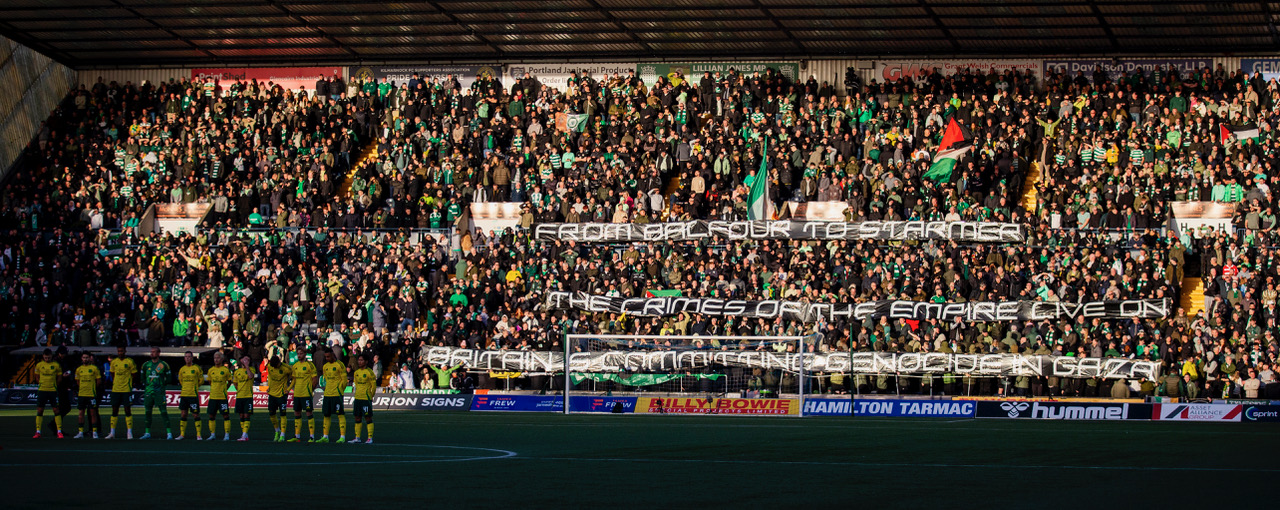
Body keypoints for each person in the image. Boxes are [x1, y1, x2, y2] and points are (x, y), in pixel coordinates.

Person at [139, 347, 173, 440]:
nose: (152, 353)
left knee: (163, 412)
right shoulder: (146, 365)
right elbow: (142, 378)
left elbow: (169, 378)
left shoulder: (163, 365)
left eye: (154, 352)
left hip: (159, 392)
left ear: (158, 353)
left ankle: (169, 433)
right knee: (148, 412)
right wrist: (148, 385)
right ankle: (147, 433)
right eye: (151, 352)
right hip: (148, 392)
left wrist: (160, 385)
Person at [105, 344, 137, 439]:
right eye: (119, 351)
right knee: (114, 410)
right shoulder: (114, 362)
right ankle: (112, 432)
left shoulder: (130, 361)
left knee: (127, 410)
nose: (120, 353)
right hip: (116, 390)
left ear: (125, 351)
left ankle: (129, 432)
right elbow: (112, 374)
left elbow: (134, 374)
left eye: (122, 351)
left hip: (126, 389)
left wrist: (128, 382)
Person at [318, 347, 348, 443]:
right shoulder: (325, 366)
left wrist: (340, 390)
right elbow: (326, 380)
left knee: (340, 414)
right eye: (325, 357)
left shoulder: (340, 365)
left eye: (328, 356)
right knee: (326, 415)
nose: (327, 358)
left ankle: (342, 437)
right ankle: (325, 437)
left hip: (337, 394)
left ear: (332, 355)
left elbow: (344, 380)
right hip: (327, 394)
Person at [287, 350, 319, 442]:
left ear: (305, 354)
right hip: (297, 393)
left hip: (306, 394)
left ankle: (312, 436)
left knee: (309, 413)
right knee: (297, 413)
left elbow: (315, 380)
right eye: (298, 354)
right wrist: (288, 389)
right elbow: (293, 380)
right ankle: (297, 436)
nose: (299, 355)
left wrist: (310, 391)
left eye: (301, 354)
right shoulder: (295, 366)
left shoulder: (310, 365)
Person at [33, 348, 64, 439]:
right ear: (43, 356)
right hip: (42, 390)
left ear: (51, 356)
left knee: (56, 410)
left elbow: (59, 377)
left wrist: (54, 385)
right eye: (45, 358)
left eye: (49, 358)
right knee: (40, 410)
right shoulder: (39, 365)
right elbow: (37, 377)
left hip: (52, 391)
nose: (47, 359)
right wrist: (42, 384)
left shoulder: (56, 365)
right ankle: (38, 432)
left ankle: (59, 431)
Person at [73, 351, 102, 439]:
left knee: (93, 413)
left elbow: (98, 381)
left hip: (91, 394)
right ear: (81, 358)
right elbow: (77, 381)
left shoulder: (94, 368)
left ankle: (94, 432)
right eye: (84, 357)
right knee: (81, 413)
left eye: (87, 357)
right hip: (82, 394)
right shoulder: (79, 369)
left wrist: (91, 388)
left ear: (90, 358)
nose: (85, 359)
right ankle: (80, 432)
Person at [204, 351, 233, 441]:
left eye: (218, 358)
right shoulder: (211, 370)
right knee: (212, 416)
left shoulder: (225, 370)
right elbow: (210, 382)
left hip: (222, 397)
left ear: (222, 359)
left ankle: (227, 435)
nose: (216, 359)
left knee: (225, 415)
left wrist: (224, 389)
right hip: (213, 397)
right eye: (215, 358)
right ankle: (212, 434)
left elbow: (229, 381)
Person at [175, 351, 204, 440]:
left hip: (193, 395)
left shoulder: (196, 368)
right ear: (184, 358)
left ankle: (198, 435)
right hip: (184, 395)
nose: (187, 358)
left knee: (195, 415)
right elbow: (181, 381)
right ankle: (182, 434)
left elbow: (201, 380)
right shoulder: (182, 369)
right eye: (186, 356)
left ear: (192, 358)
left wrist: (194, 387)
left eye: (189, 356)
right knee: (183, 414)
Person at [266, 355, 293, 442]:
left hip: (282, 394)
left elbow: (294, 378)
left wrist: (288, 389)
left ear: (279, 362)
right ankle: (277, 431)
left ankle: (282, 435)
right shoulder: (270, 366)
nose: (275, 367)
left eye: (276, 365)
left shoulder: (286, 368)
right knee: (271, 414)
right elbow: (269, 376)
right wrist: (269, 386)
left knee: (283, 414)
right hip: (272, 394)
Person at [351, 354, 376, 444]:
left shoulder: (370, 372)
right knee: (357, 418)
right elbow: (356, 385)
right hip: (358, 398)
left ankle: (370, 438)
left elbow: (373, 386)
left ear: (366, 362)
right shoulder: (356, 372)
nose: (359, 362)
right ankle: (357, 437)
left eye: (362, 360)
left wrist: (371, 396)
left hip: (366, 398)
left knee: (368, 418)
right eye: (359, 360)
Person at [232, 355, 255, 441]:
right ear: (241, 360)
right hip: (240, 396)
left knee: (246, 415)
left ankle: (244, 435)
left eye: (248, 359)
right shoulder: (237, 372)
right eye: (245, 359)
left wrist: (247, 366)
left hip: (248, 396)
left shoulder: (251, 369)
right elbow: (235, 383)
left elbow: (250, 376)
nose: (246, 361)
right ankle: (244, 435)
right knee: (241, 415)